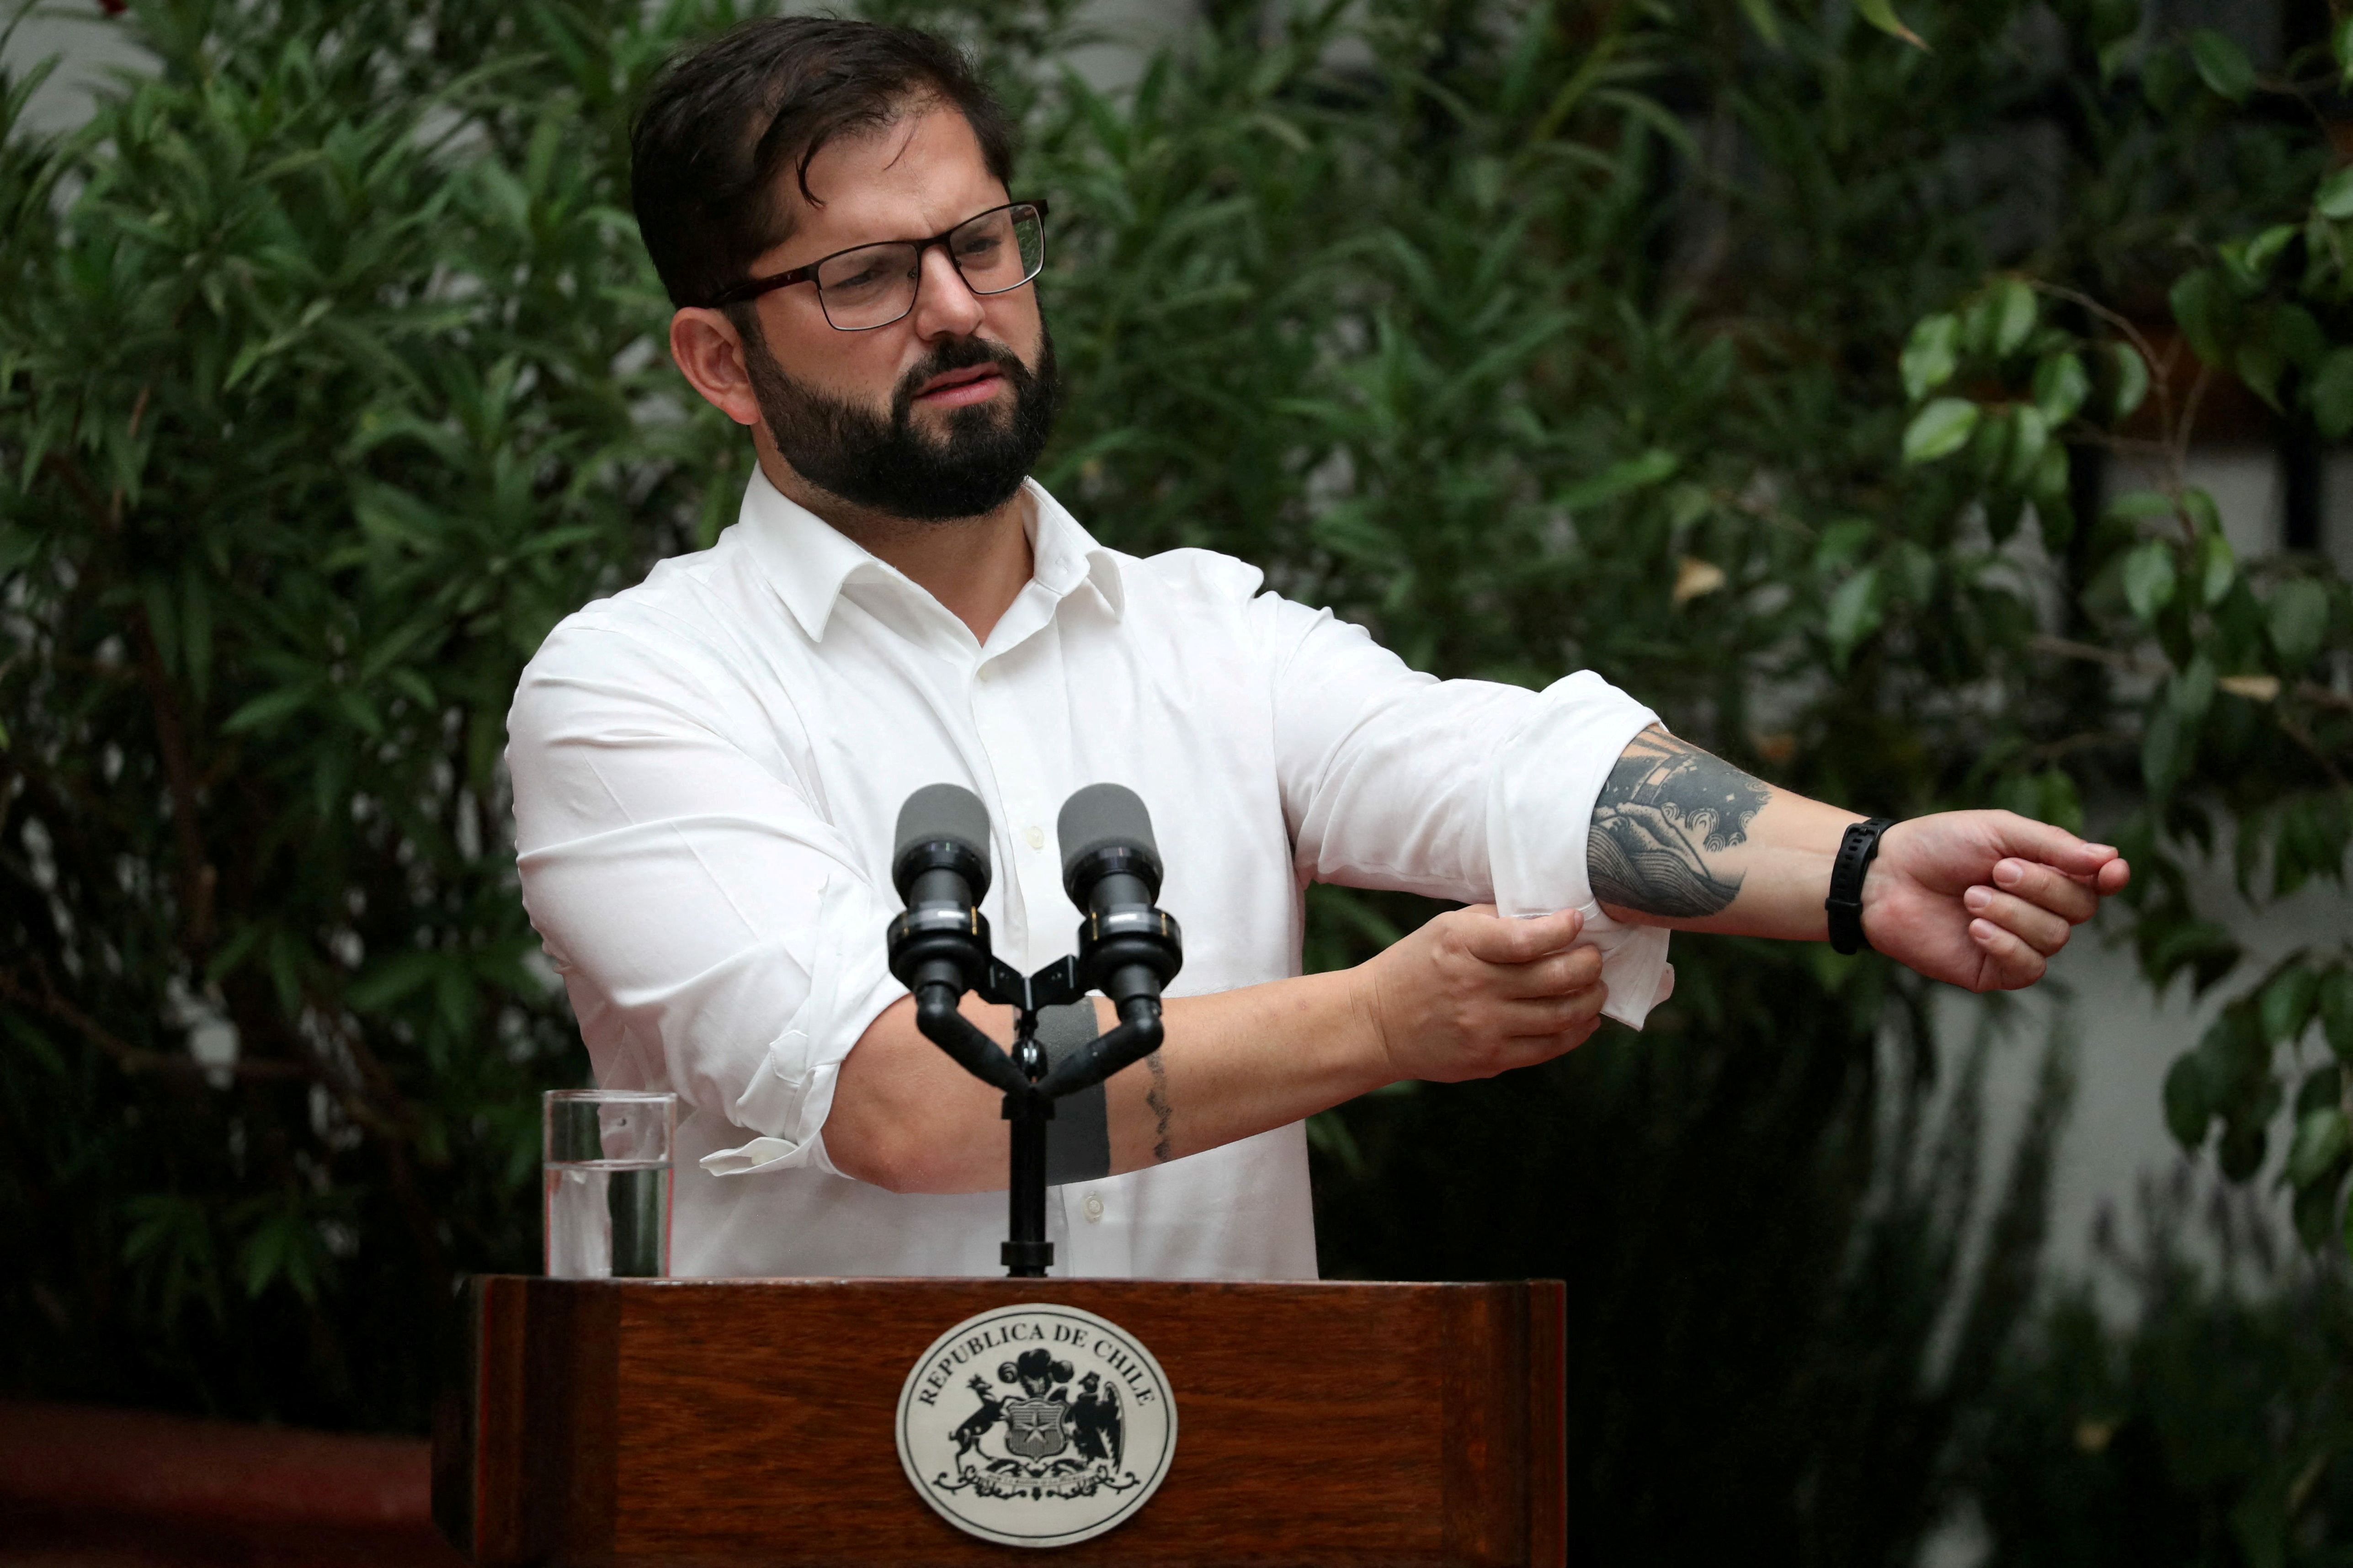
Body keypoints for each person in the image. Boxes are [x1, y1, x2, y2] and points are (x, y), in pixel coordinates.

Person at [505, 17, 2130, 1281]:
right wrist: (1374, 1023)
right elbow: (911, 1100)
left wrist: (1859, 871)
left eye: (983, 243)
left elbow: (1509, 771)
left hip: (1231, 1489)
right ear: (720, 360)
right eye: (866, 274)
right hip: (801, 1504)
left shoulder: (1210, 637)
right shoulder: (636, 690)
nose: (956, 308)